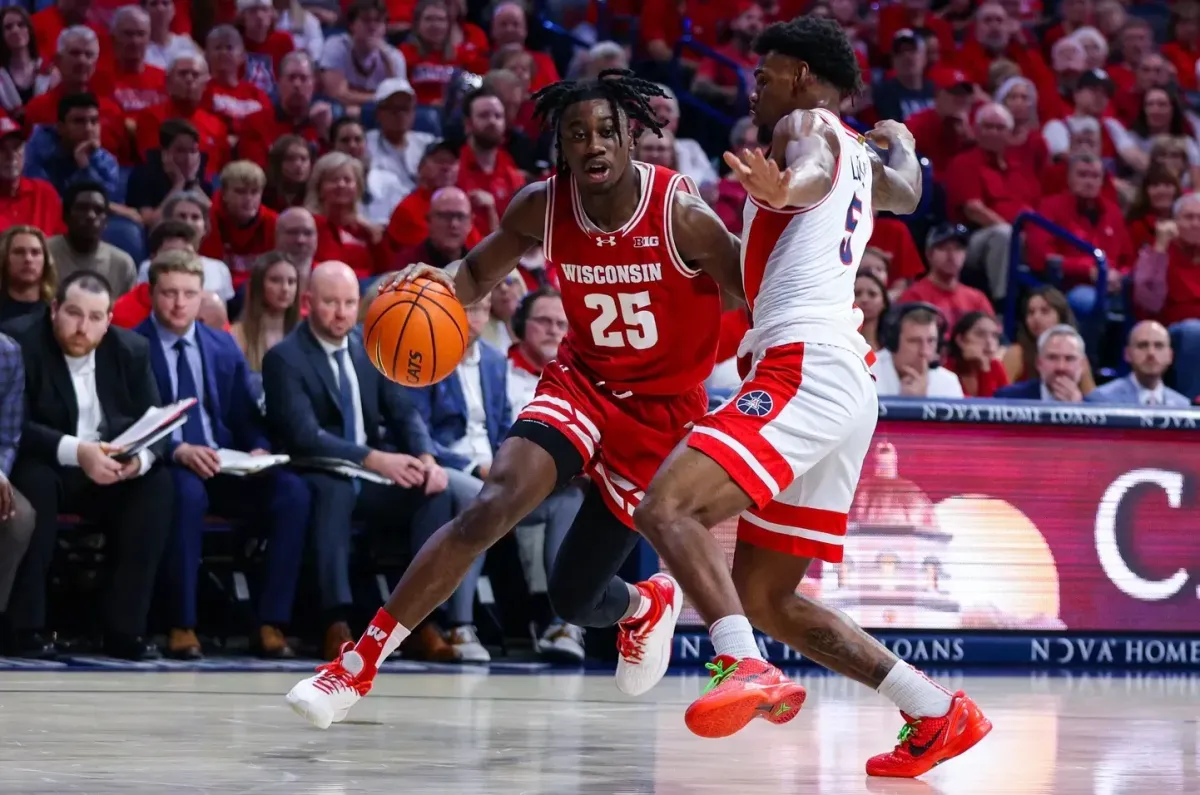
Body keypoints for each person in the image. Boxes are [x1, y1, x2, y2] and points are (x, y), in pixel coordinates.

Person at [284, 70, 745, 727]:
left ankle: (644, 606)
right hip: (583, 381)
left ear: (631, 136)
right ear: (559, 142)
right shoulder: (542, 205)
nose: (593, 145)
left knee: (574, 593)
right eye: (577, 133)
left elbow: (752, 288)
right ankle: (354, 666)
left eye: (607, 131)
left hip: (659, 409)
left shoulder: (683, 214)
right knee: (489, 506)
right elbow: (473, 273)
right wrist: (432, 283)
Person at [635, 17, 988, 777]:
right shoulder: (864, 152)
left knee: (666, 505)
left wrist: (784, 186)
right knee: (765, 591)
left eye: (764, 75)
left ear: (799, 74)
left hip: (804, 364)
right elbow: (908, 189)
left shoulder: (809, 124)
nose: (753, 87)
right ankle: (935, 711)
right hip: (843, 378)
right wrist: (905, 141)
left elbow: (816, 162)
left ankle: (741, 665)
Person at [134, 251, 311, 660]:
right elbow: (129, 421)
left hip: (224, 462)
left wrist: (256, 447)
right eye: (170, 293)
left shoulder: (221, 345)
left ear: (202, 297)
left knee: (292, 494)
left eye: (188, 294)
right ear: (151, 294)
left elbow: (243, 414)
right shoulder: (133, 345)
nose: (179, 303)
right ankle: (182, 624)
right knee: (185, 495)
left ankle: (270, 622)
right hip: (167, 463)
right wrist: (177, 449)